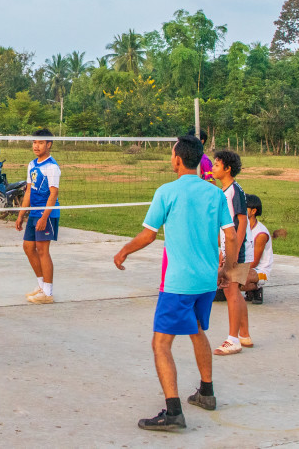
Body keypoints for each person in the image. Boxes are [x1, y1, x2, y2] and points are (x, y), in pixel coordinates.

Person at [114, 135, 238, 432]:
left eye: (172, 155)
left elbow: (148, 235)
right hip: (207, 281)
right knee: (197, 331)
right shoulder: (215, 194)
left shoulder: (166, 192)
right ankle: (206, 393)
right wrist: (227, 270)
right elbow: (231, 236)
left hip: (178, 283)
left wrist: (123, 250)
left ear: (178, 160)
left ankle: (173, 412)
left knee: (161, 344)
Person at [211, 149, 250, 355]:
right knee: (232, 292)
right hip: (228, 249)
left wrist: (233, 254)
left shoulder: (234, 191)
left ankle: (233, 339)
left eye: (216, 165)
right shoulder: (224, 191)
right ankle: (244, 334)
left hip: (235, 249)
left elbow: (241, 222)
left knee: (231, 292)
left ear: (227, 169)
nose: (213, 168)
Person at [15, 128, 60, 304]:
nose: (36, 146)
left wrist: (44, 217)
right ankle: (41, 285)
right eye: (34, 142)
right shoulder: (32, 164)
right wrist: (20, 215)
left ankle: (48, 292)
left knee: (42, 250)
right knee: (28, 247)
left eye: (40, 142)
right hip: (34, 213)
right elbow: (28, 192)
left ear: (49, 145)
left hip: (47, 213)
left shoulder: (52, 167)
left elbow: (53, 194)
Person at [240, 195, 274, 305]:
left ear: (253, 211)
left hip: (260, 270)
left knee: (235, 279)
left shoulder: (261, 234)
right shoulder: (241, 226)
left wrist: (232, 270)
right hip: (243, 265)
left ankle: (255, 288)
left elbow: (254, 263)